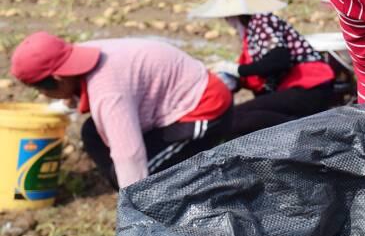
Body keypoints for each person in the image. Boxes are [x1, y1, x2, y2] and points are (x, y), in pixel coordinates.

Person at [10, 32, 232, 190]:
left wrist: (134, 209)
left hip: (203, 109)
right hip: (167, 104)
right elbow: (75, 90)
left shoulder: (108, 93)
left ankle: (181, 200)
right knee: (92, 132)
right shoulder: (85, 54)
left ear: (58, 79)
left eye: (42, 89)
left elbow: (130, 155)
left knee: (148, 176)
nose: (43, 95)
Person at [188, 0, 337, 136]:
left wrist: (237, 69)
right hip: (295, 90)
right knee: (237, 118)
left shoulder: (261, 21)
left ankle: (311, 137)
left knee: (237, 120)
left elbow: (278, 60)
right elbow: (255, 73)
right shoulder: (250, 34)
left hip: (309, 88)